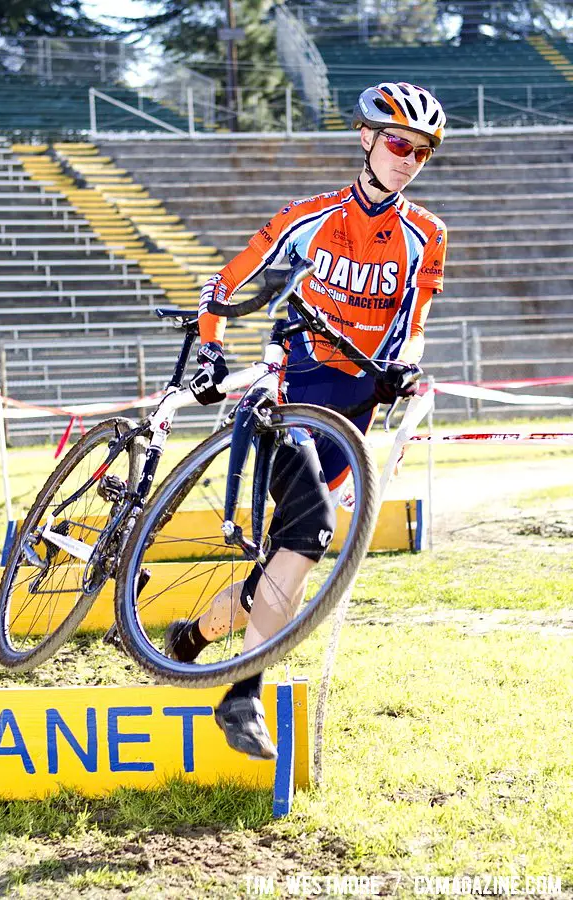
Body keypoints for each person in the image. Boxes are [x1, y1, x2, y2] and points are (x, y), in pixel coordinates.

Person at [166, 82, 448, 760]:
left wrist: (406, 366)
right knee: (311, 531)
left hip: (353, 418)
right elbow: (223, 286)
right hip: (289, 401)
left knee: (281, 564)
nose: (408, 158)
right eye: (398, 143)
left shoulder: (427, 236)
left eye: (422, 152)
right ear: (367, 139)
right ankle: (241, 697)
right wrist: (209, 349)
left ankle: (192, 637)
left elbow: (413, 327)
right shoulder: (308, 217)